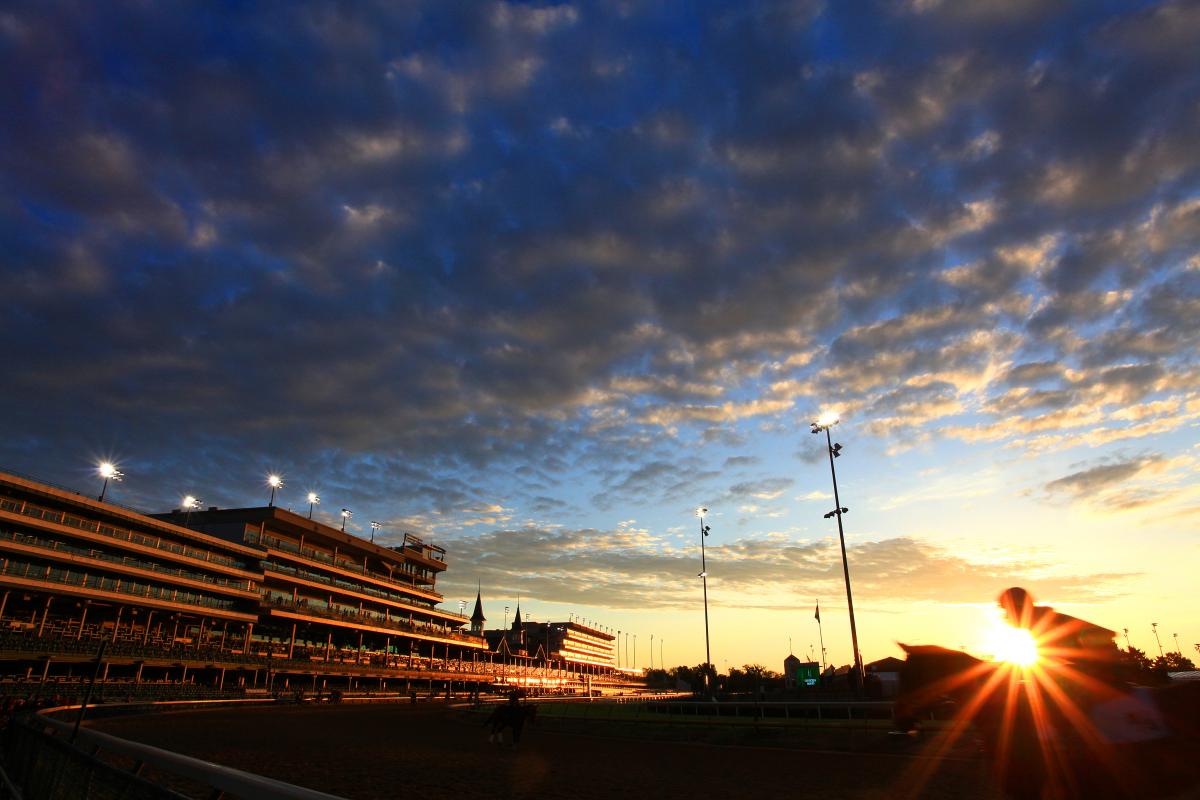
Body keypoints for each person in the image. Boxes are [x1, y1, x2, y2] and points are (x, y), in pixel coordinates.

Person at [998, 587, 1121, 688]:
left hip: (1102, 670)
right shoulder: (1041, 621)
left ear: (1017, 609)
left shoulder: (1044, 624)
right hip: (1098, 666)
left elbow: (1043, 666)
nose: (1005, 617)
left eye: (1006, 611)